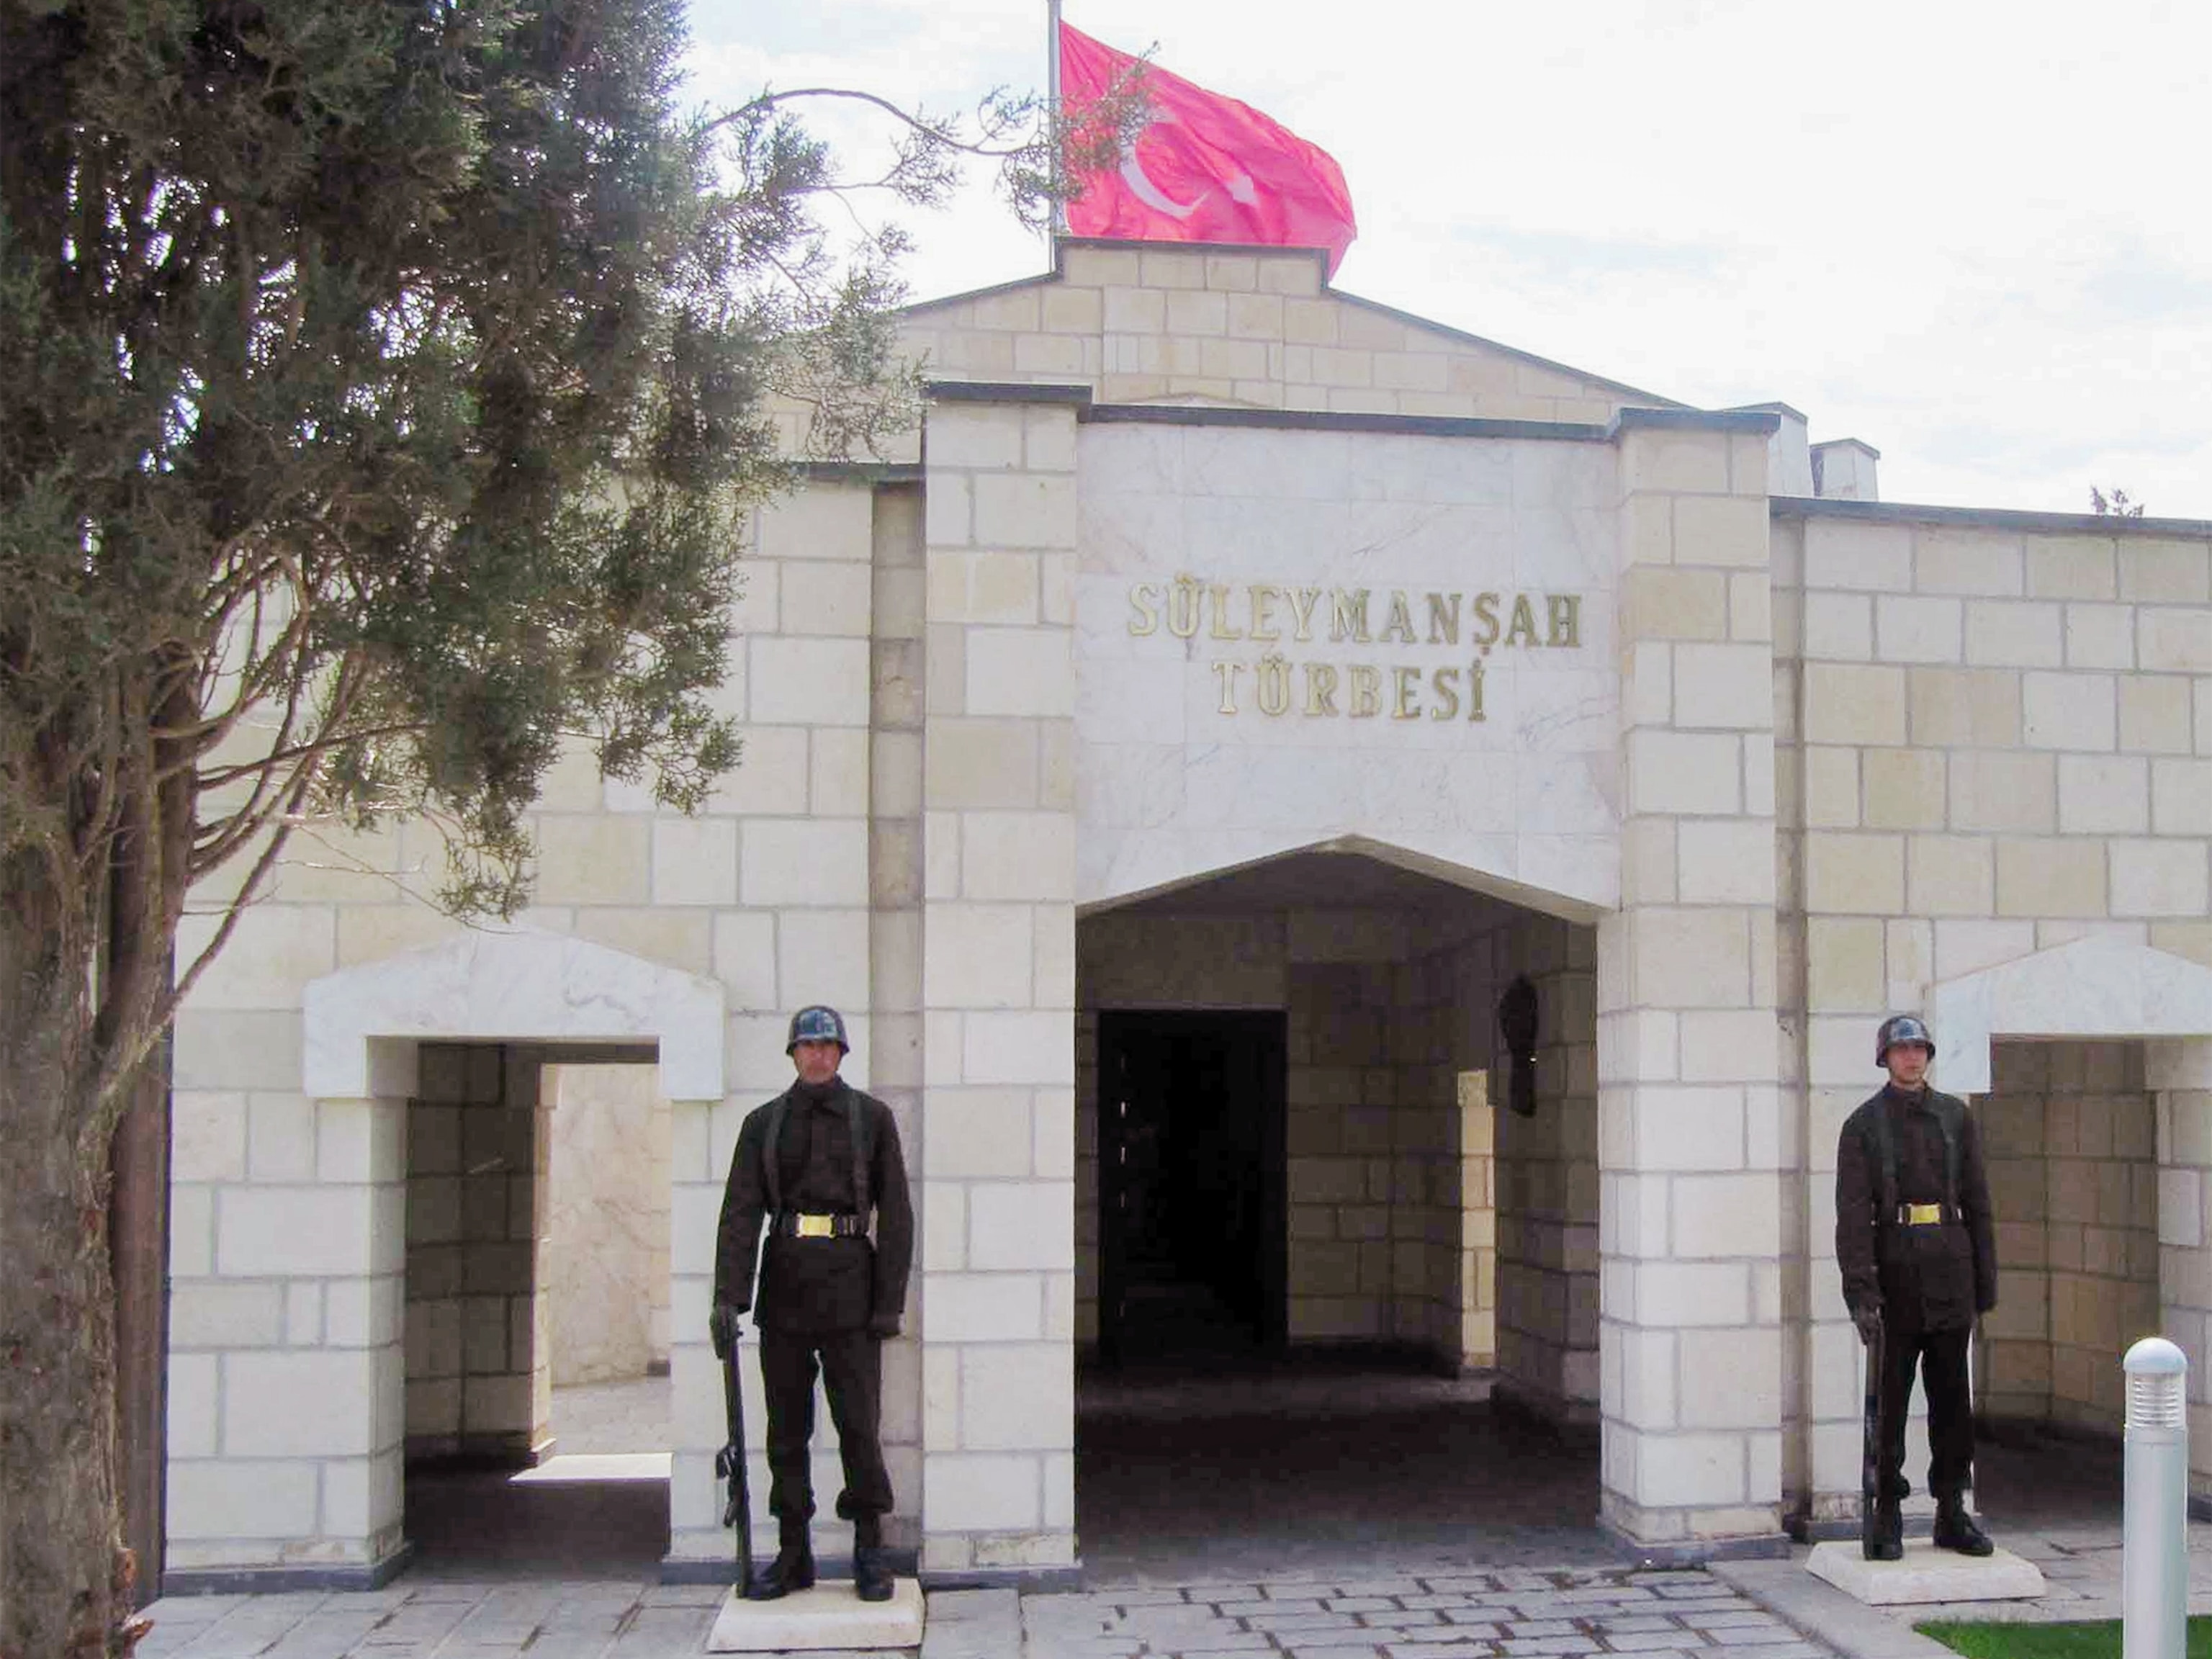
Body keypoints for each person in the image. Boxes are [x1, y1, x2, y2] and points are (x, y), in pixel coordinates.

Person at [711, 1006, 914, 1602]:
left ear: (842, 1053)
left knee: (859, 1425)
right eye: (807, 1045)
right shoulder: (763, 1123)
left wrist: (888, 1303)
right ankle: (794, 1552)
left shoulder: (871, 1119)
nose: (818, 1055)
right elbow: (741, 1214)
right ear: (793, 1054)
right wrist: (729, 1296)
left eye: (828, 1045)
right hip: (786, 1290)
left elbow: (897, 1215)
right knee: (786, 1429)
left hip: (852, 1286)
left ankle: (869, 1552)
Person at [1835, 1013, 1997, 1561]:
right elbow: (1853, 1217)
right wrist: (1861, 1292)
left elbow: (1977, 1203)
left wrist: (1984, 1286)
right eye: (1902, 1050)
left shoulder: (1955, 1118)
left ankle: (1952, 1510)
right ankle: (1887, 1512)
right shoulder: (1863, 1125)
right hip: (1895, 1276)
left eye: (1919, 1049)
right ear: (1885, 1057)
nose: (1912, 1058)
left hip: (1950, 1271)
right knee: (1893, 1406)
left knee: (1954, 1402)